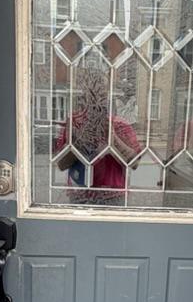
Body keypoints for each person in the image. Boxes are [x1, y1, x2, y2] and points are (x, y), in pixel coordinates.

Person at [54, 68, 141, 204]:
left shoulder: (120, 124)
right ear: (84, 95)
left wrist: (112, 138)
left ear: (107, 96)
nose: (96, 100)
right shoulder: (74, 123)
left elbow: (134, 163)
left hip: (113, 195)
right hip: (80, 193)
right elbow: (61, 164)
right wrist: (81, 138)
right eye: (91, 93)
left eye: (101, 94)